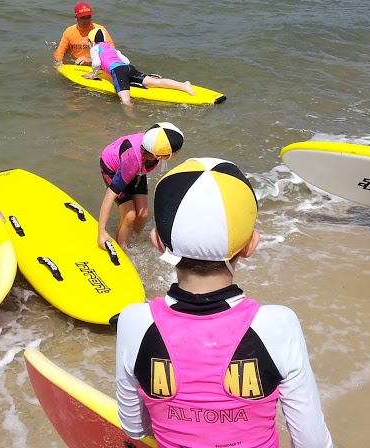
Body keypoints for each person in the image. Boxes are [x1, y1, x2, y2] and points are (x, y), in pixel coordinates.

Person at [115, 157, 334, 448]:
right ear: (250, 246)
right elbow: (312, 443)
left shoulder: (134, 322)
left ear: (158, 242)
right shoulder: (278, 324)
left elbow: (135, 428)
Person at [97, 122, 184, 250]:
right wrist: (101, 231)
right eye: (174, 152)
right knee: (129, 215)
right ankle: (123, 248)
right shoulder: (132, 162)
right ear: (159, 155)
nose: (177, 153)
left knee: (143, 213)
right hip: (113, 168)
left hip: (138, 169)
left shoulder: (153, 145)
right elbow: (110, 195)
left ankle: (132, 239)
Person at [85, 28, 195, 105]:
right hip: (129, 68)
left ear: (91, 41)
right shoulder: (111, 48)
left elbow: (96, 64)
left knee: (125, 100)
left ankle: (132, 119)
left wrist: (93, 75)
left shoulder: (94, 48)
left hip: (118, 71)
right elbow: (126, 61)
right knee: (155, 82)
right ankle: (183, 86)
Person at [54, 1, 114, 67]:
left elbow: (112, 52)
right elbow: (59, 53)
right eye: (82, 17)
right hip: (76, 64)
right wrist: (59, 62)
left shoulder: (100, 30)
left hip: (96, 64)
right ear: (76, 17)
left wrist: (90, 60)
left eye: (88, 17)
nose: (86, 21)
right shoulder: (69, 31)